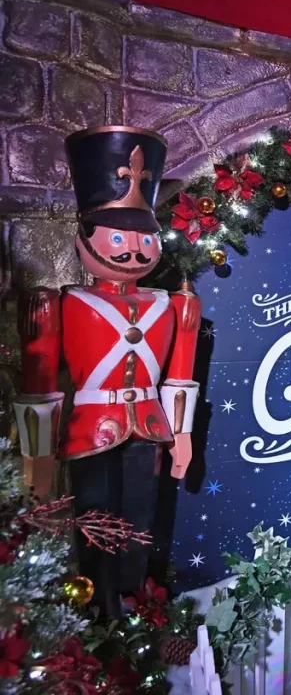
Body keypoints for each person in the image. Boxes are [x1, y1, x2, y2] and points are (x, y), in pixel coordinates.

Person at [14, 126, 202, 618]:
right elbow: (40, 384)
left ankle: (138, 604)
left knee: (142, 518)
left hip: (148, 428)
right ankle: (100, 614)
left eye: (143, 237)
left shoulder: (174, 304)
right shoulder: (59, 303)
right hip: (87, 431)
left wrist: (181, 435)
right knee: (95, 523)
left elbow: (179, 377)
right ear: (85, 238)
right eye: (118, 236)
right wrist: (37, 458)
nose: (133, 250)